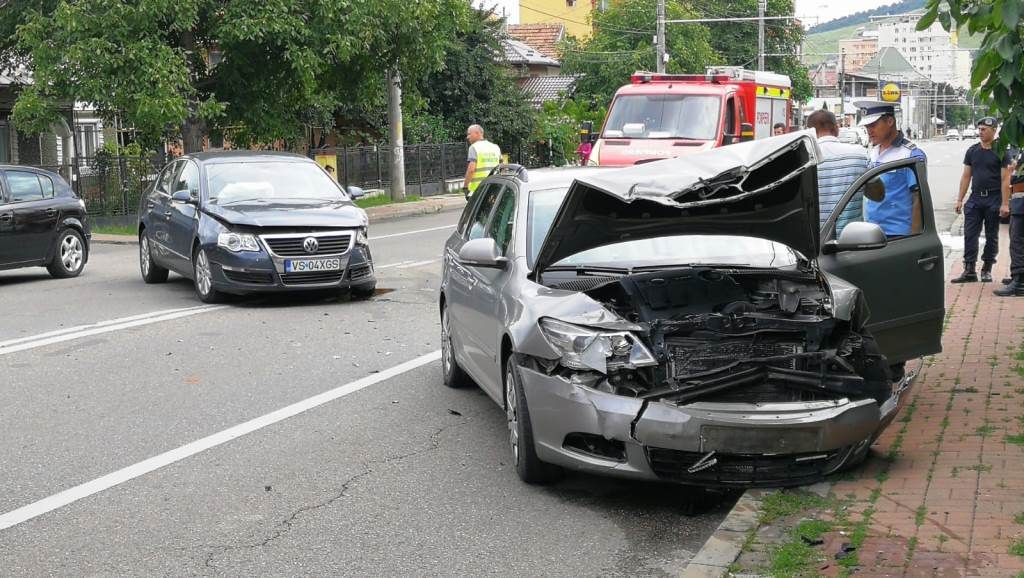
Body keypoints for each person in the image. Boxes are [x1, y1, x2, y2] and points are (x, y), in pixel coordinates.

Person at [951, 117, 1013, 283]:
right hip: (975, 198)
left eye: (984, 129)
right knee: (970, 234)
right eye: (979, 129)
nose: (981, 132)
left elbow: (1005, 179)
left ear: (994, 130)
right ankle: (969, 269)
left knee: (991, 235)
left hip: (994, 198)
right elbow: (966, 176)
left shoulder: (1001, 152)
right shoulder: (972, 151)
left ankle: (987, 268)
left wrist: (1005, 203)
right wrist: (959, 200)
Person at [856, 100, 927, 237]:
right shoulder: (873, 152)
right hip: (871, 232)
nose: (869, 131)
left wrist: (914, 239)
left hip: (898, 235)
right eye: (866, 126)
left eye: (873, 125)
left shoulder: (911, 155)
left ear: (890, 121)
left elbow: (918, 199)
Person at [806, 109, 872, 234]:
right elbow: (878, 195)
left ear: (810, 131)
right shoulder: (860, 154)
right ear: (836, 128)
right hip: (850, 239)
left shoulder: (804, 159)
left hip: (813, 240)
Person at [995, 148, 1024, 296]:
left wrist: (1013, 171)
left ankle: (1020, 282)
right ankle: (1017, 276)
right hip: (1019, 201)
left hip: (1022, 202)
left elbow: (1019, 176)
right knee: (1016, 240)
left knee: (1018, 242)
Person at [463, 124, 501, 199]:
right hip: (493, 188)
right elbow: (502, 167)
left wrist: (465, 187)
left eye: (469, 134)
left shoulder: (474, 147)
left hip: (478, 190)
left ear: (477, 133)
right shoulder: (495, 147)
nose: (468, 137)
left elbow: (471, 170)